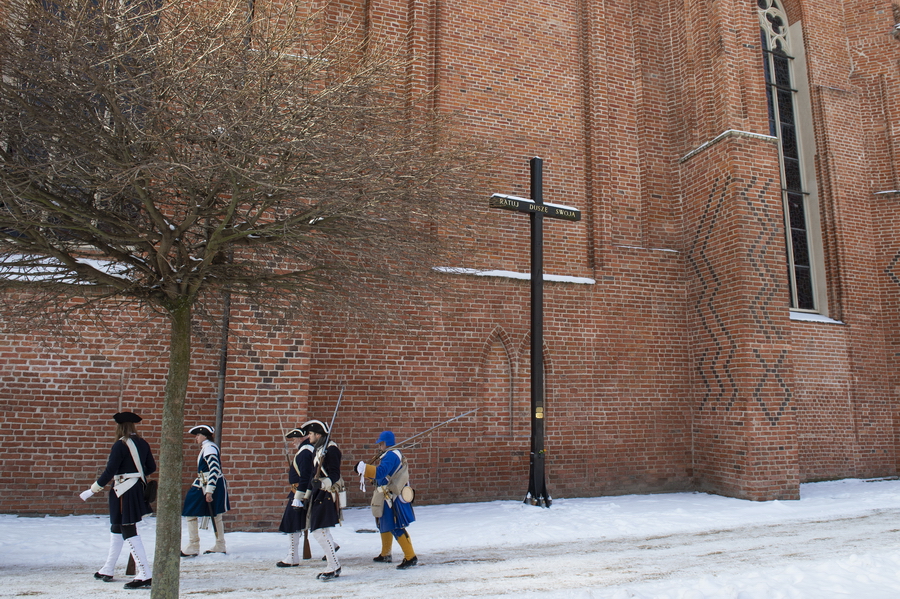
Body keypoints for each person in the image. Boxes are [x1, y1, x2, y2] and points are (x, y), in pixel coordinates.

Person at [79, 411, 156, 589]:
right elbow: (151, 467)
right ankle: (108, 568)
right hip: (133, 489)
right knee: (117, 527)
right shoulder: (143, 443)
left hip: (123, 491)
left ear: (119, 427)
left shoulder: (120, 446)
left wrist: (92, 490)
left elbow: (109, 471)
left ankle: (145, 573)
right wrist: (136, 475)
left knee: (128, 528)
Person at [355, 430, 418, 569]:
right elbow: (383, 476)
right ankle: (386, 554)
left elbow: (381, 472)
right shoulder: (391, 454)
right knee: (384, 524)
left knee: (395, 526)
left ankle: (410, 556)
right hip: (386, 494)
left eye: (381, 443)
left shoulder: (391, 455)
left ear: (386, 443)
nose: (379, 446)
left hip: (393, 497)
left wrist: (364, 469)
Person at [291, 419, 343, 580]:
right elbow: (313, 475)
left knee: (319, 531)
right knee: (321, 531)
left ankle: (333, 565)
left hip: (327, 493)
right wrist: (301, 497)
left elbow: (334, 474)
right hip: (318, 493)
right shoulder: (318, 449)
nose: (309, 437)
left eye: (311, 434)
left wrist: (321, 482)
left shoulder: (331, 450)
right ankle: (334, 565)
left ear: (319, 434)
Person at [181, 424, 230, 556]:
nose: (196, 438)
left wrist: (209, 490)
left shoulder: (209, 448)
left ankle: (195, 545)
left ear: (204, 435)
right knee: (213, 515)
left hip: (209, 484)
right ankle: (217, 544)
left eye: (198, 435)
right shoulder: (208, 447)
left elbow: (215, 469)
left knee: (192, 511)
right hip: (205, 483)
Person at [276, 427, 312, 567]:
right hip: (298, 491)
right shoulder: (305, 451)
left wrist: (299, 496)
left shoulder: (304, 453)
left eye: (295, 439)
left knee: (292, 523)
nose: (293, 443)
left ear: (302, 438)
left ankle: (292, 556)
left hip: (299, 492)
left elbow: (305, 476)